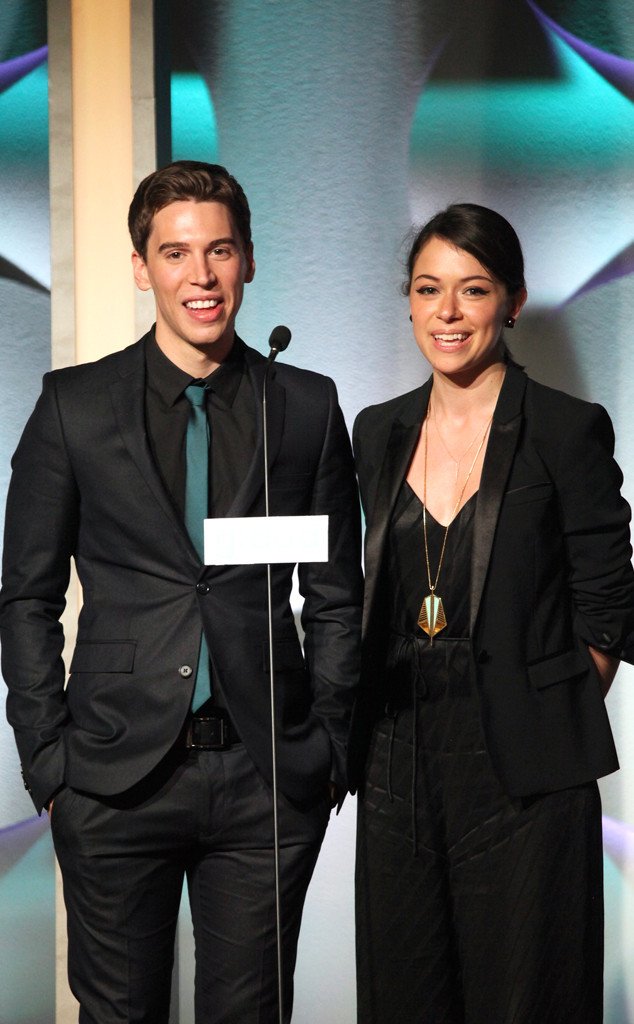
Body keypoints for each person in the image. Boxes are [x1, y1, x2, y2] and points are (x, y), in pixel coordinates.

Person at [0, 160, 363, 1023]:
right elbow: (25, 598)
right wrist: (50, 758)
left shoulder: (305, 407)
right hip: (114, 776)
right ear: (141, 266)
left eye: (220, 251)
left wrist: (331, 742)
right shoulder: (72, 408)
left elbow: (338, 594)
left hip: (265, 776)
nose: (200, 276)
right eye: (176, 253)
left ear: (247, 261)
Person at [349, 203, 634, 1024]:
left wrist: (556, 693)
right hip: (397, 761)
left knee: (528, 995)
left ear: (511, 301)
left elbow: (609, 595)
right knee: (405, 995)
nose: (447, 312)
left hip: (526, 771)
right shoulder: (376, 433)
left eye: (472, 291)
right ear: (407, 301)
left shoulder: (564, 427)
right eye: (428, 289)